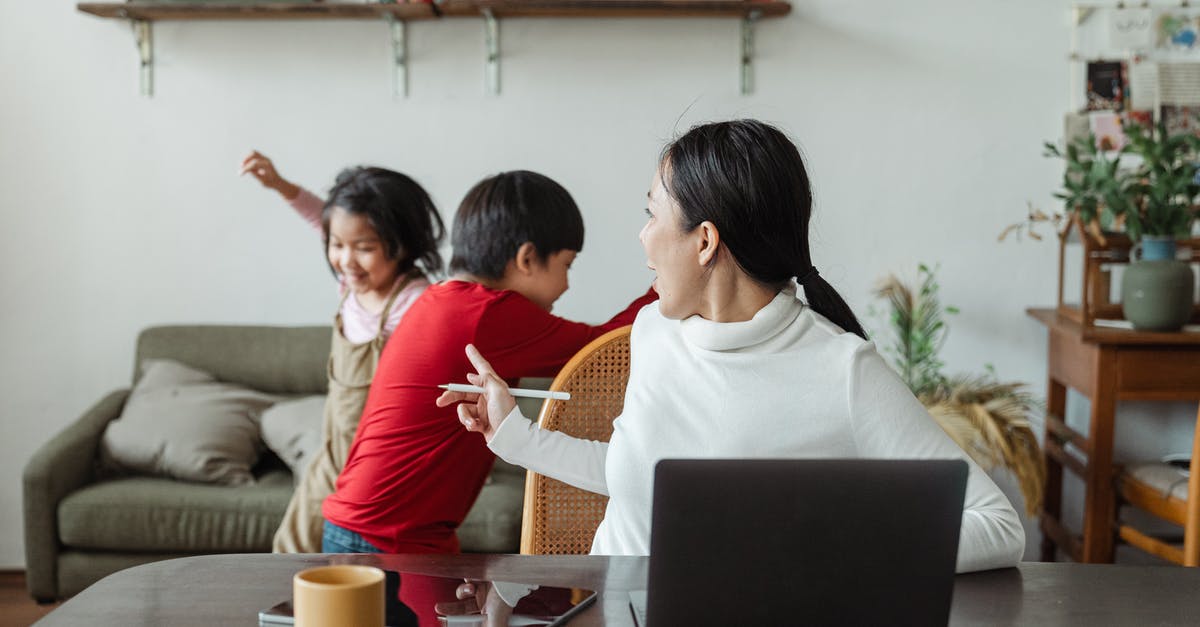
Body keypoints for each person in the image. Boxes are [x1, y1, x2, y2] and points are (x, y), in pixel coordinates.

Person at [438, 120, 1026, 575]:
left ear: (704, 241)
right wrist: (514, 435)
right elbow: (638, 478)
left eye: (651, 214)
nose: (643, 237)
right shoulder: (654, 331)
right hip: (613, 610)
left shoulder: (843, 370)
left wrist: (825, 543)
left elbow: (998, 526)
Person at [321, 170, 658, 554]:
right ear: (527, 258)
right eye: (567, 265)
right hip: (384, 538)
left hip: (373, 527)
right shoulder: (485, 314)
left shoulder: (444, 300)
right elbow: (601, 352)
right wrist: (666, 281)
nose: (566, 285)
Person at [240, 151, 445, 553]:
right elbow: (324, 219)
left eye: (364, 247)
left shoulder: (414, 303)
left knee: (340, 559)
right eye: (337, 245)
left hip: (373, 465)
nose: (346, 259)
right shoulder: (353, 285)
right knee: (291, 547)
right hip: (332, 450)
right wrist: (282, 186)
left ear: (402, 244)